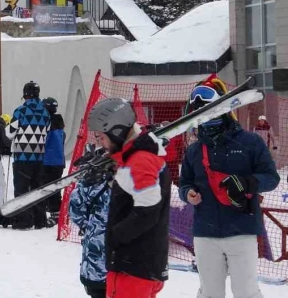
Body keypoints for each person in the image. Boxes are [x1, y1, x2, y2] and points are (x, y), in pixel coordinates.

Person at [179, 79, 280, 298]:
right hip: (205, 233)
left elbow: (271, 178)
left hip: (241, 231)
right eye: (200, 113)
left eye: (209, 110)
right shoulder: (195, 150)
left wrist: (247, 183)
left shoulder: (250, 142)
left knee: (246, 292)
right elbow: (184, 182)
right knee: (210, 293)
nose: (205, 118)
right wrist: (187, 193)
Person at [87, 97, 170, 298]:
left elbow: (147, 212)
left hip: (133, 266)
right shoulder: (136, 157)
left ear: (116, 131)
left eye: (101, 137)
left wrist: (114, 237)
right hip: (140, 263)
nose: (100, 143)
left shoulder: (140, 160)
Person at [69, 145, 113, 298]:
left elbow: (75, 209)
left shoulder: (89, 182)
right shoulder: (130, 179)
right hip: (123, 264)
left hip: (95, 262)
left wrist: (90, 226)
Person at [8, 81, 51, 230]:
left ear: (25, 95)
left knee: (22, 189)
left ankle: (24, 220)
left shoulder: (20, 111)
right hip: (39, 156)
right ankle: (40, 220)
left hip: (23, 156)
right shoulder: (46, 113)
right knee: (37, 188)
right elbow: (48, 130)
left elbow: (9, 133)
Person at [43, 97, 66, 227]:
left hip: (48, 161)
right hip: (59, 161)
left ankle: (54, 212)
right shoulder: (60, 124)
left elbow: (44, 142)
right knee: (55, 187)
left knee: (48, 188)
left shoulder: (47, 123)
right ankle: (56, 211)